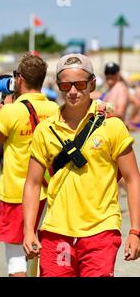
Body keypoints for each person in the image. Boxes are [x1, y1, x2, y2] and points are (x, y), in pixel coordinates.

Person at [23, 53, 140, 277]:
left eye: (80, 84)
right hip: (57, 231)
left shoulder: (112, 126)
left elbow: (133, 179)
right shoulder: (45, 130)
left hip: (101, 230)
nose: (73, 91)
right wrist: (29, 230)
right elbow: (32, 183)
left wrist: (135, 231)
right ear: (58, 86)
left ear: (93, 83)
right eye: (66, 85)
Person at [0, 53, 59, 276]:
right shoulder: (55, 110)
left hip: (16, 193)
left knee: (16, 257)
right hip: (48, 191)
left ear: (19, 78)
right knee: (40, 253)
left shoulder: (11, 111)